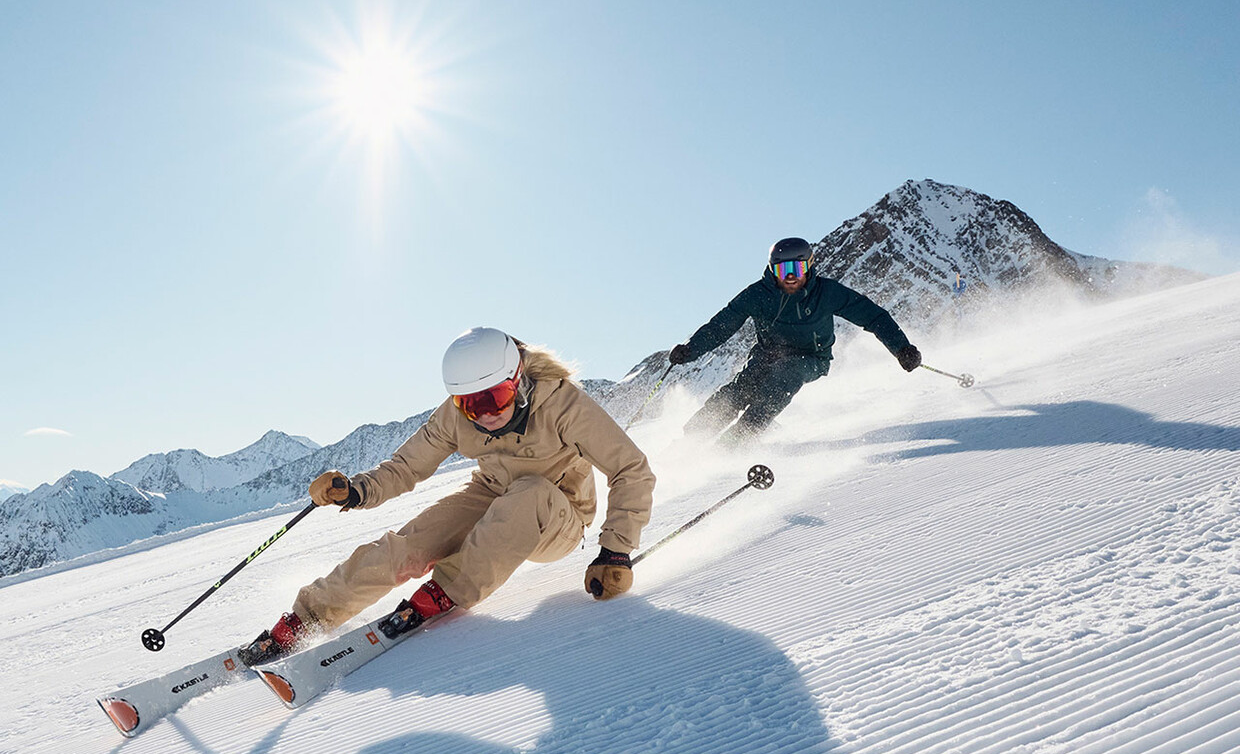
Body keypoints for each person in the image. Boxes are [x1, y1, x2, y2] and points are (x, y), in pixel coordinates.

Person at [240, 328, 655, 664]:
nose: (485, 413)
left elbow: (631, 468)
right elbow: (407, 466)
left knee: (530, 492)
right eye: (470, 404)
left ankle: (447, 592)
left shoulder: (564, 404)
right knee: (408, 545)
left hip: (557, 515)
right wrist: (356, 490)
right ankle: (307, 618)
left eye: (496, 397)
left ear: (519, 381)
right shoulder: (457, 416)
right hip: (492, 495)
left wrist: (615, 550)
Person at [666, 236, 922, 443]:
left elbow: (872, 316)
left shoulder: (826, 293)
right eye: (783, 269)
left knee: (785, 376)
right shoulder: (758, 294)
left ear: (809, 267)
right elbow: (721, 326)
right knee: (742, 386)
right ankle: (692, 439)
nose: (790, 276)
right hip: (768, 354)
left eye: (797, 268)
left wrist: (901, 348)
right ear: (772, 270)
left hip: (812, 357)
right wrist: (691, 350)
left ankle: (735, 443)